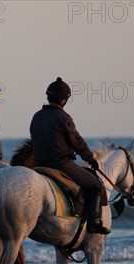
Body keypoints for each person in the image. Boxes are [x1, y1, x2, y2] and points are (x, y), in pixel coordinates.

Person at [30, 77, 110, 235]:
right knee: (95, 185)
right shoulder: (63, 117)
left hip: (38, 164)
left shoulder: (37, 116)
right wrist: (90, 159)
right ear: (63, 100)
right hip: (60, 164)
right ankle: (94, 223)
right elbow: (77, 142)